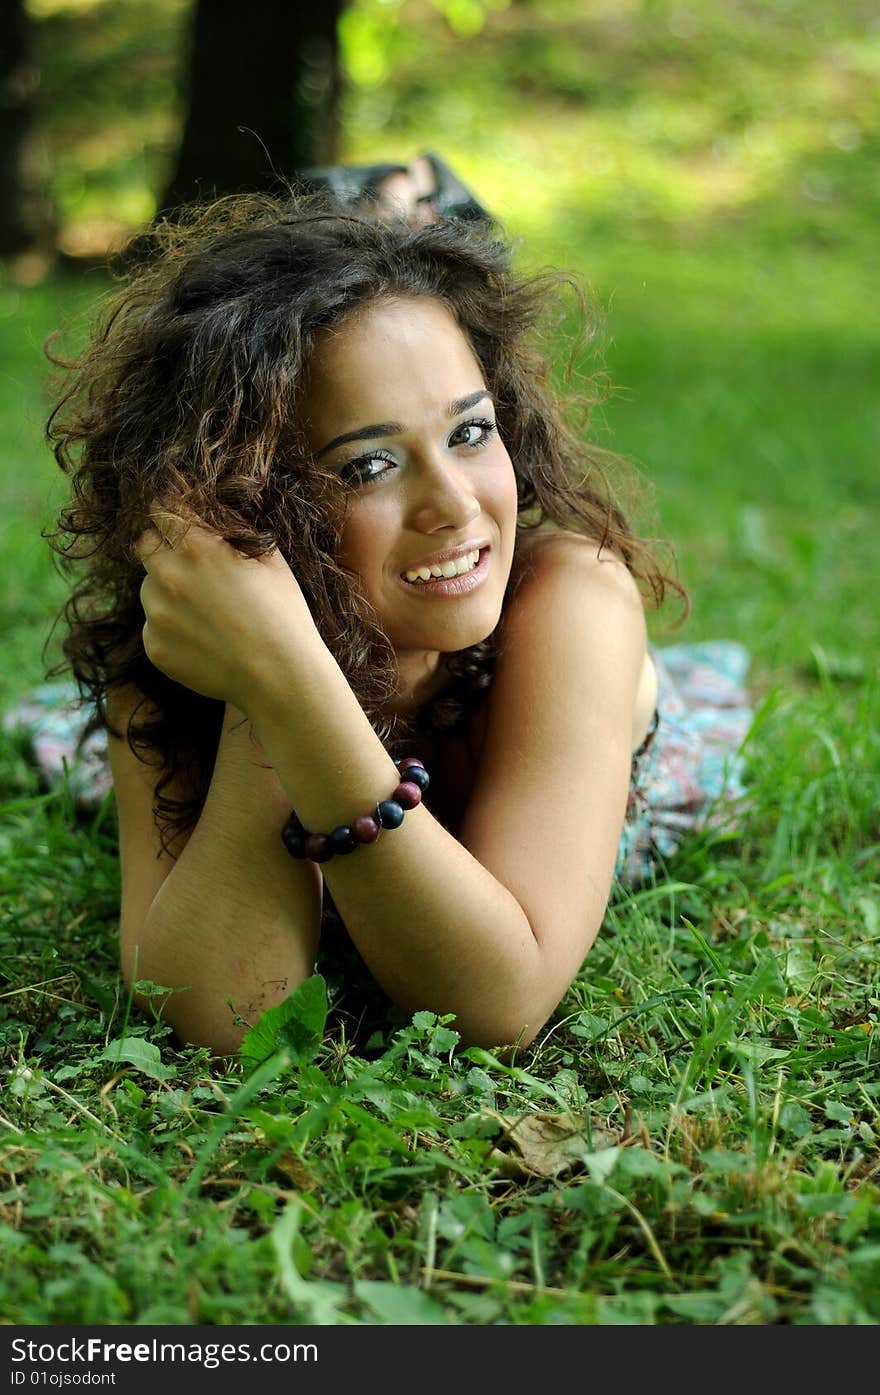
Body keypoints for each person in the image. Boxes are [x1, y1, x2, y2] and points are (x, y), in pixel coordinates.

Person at [8, 166, 752, 1057]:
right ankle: (386, 195)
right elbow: (224, 1017)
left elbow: (497, 1004)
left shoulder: (572, 602)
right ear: (252, 503)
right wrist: (267, 673)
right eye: (368, 465)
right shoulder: (175, 667)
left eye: (470, 432)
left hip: (583, 709)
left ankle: (404, 194)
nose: (454, 504)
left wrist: (289, 687)